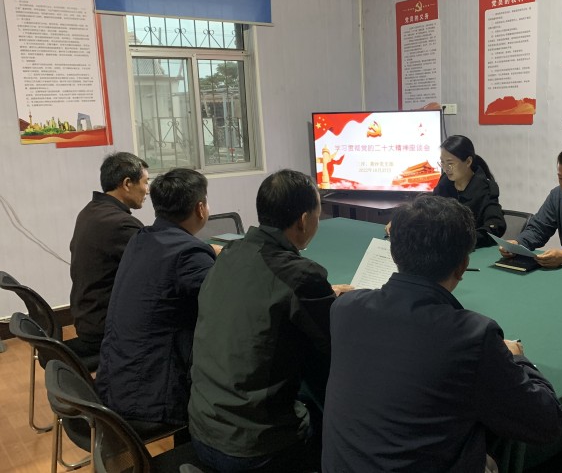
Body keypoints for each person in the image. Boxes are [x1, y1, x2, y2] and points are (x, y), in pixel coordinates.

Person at [322, 195, 562, 473]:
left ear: (394, 254)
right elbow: (548, 423)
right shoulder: (472, 336)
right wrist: (519, 359)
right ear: (462, 266)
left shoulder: (344, 309)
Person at [189, 169, 353, 473]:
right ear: (303, 220)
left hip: (202, 431)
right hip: (256, 450)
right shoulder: (302, 275)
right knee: (337, 420)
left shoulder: (229, 254)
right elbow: (338, 347)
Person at [95, 168, 218, 434]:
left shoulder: (142, 238)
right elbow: (229, 307)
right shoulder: (189, 254)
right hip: (152, 398)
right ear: (200, 209)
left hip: (116, 383)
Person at [69, 152, 149, 358]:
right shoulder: (120, 223)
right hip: (105, 328)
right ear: (127, 184)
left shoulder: (91, 210)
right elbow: (156, 267)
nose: (147, 190)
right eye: (145, 182)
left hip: (88, 317)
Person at [386, 135, 506, 247]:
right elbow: (428, 210)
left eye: (450, 163)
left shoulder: (485, 189)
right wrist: (403, 222)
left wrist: (464, 240)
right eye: (442, 162)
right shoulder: (445, 182)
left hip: (471, 251)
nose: (445, 168)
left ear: (468, 162)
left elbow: (496, 226)